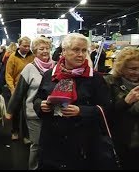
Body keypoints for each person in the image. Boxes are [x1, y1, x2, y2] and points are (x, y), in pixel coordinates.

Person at [33, 33, 112, 169]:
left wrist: (81, 111)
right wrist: (41, 105)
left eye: (84, 50)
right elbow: (37, 99)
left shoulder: (95, 78)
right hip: (51, 144)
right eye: (76, 50)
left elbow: (108, 109)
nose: (81, 54)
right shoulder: (49, 75)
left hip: (83, 145)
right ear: (64, 51)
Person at [6, 37, 54, 170]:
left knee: (51, 144)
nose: (45, 51)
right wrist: (10, 110)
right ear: (35, 51)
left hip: (53, 113)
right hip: (33, 113)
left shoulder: (56, 66)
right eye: (41, 49)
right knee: (37, 144)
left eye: (47, 48)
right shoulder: (29, 68)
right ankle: (33, 167)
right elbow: (19, 92)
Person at [103, 47, 139, 170]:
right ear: (121, 67)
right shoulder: (109, 83)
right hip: (121, 145)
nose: (137, 72)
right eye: (133, 69)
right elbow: (104, 114)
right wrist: (125, 102)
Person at [5, 36, 34, 142]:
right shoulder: (13, 57)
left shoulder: (32, 56)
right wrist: (12, 88)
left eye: (28, 46)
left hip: (29, 89)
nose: (27, 48)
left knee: (27, 113)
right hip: (17, 88)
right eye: (24, 46)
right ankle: (15, 132)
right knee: (16, 112)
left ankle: (26, 135)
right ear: (19, 45)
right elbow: (8, 74)